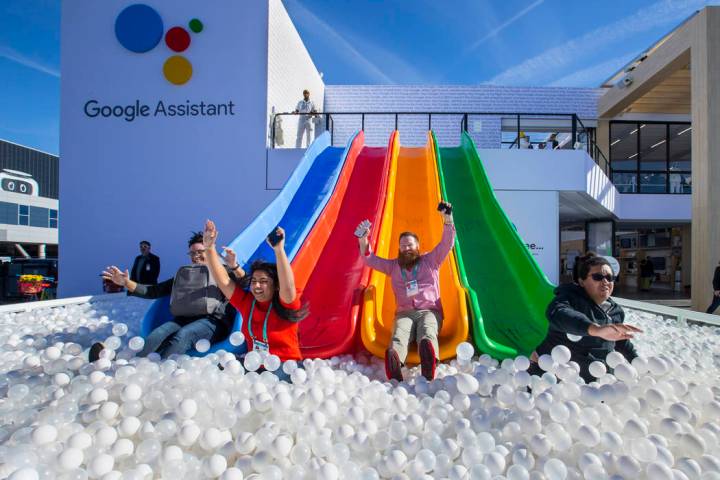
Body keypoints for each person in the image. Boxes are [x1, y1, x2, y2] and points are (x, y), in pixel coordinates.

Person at [92, 232, 241, 361]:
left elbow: (244, 282)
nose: (196, 256)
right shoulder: (184, 276)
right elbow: (153, 291)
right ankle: (132, 368)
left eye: (200, 252)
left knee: (183, 336)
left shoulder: (223, 272)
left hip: (213, 322)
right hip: (183, 319)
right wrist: (126, 282)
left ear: (209, 252)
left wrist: (234, 266)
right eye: (192, 253)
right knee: (155, 336)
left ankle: (162, 372)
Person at [357, 203, 456, 382]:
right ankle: (395, 361)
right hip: (404, 313)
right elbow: (370, 260)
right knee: (400, 332)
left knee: (427, 329)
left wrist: (447, 219)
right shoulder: (393, 266)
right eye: (403, 246)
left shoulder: (430, 261)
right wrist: (363, 240)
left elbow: (446, 243)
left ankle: (428, 360)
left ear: (417, 246)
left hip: (429, 310)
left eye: (410, 245)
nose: (406, 248)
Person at [202, 220, 308, 376]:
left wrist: (279, 251)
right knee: (218, 369)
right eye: (254, 281)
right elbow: (223, 281)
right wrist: (209, 248)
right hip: (256, 365)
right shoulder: (247, 303)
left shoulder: (285, 303)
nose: (257, 286)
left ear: (275, 286)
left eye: (264, 282)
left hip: (286, 366)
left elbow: (288, 286)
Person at [531, 256, 642, 383]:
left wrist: (640, 364)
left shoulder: (616, 311)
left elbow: (621, 343)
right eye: (598, 277)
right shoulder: (569, 298)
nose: (605, 281)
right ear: (582, 282)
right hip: (558, 381)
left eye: (610, 278)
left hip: (597, 382)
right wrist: (595, 329)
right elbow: (558, 313)